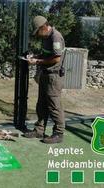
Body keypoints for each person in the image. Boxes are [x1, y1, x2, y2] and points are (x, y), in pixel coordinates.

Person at [24, 16, 65, 144]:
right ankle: (39, 130)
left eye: (38, 31)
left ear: (44, 27)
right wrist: (35, 57)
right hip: (45, 74)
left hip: (53, 76)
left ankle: (58, 133)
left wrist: (38, 61)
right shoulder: (46, 37)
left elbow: (56, 58)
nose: (38, 35)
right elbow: (47, 55)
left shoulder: (55, 37)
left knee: (54, 106)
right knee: (41, 104)